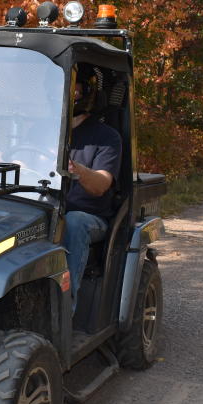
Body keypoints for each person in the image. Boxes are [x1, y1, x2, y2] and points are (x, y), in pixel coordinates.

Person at [63, 67, 121, 312]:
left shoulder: (106, 137)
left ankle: (66, 309)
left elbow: (101, 185)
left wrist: (78, 171)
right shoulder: (42, 131)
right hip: (43, 210)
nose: (68, 90)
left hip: (89, 217)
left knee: (73, 222)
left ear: (87, 90)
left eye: (74, 84)